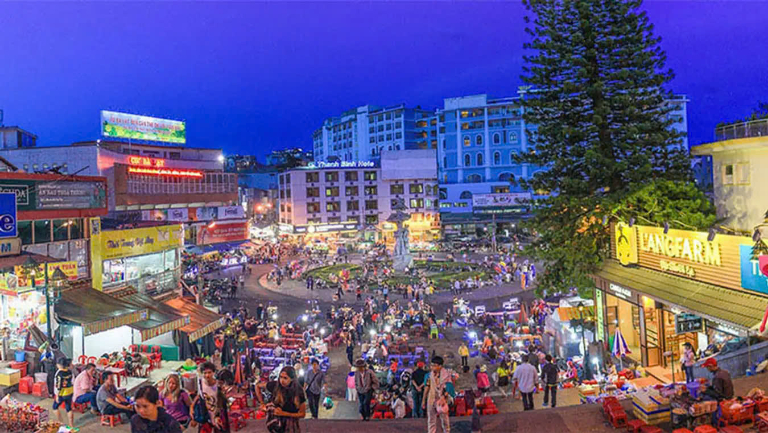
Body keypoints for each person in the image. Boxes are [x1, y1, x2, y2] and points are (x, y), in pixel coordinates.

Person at [257, 366, 306, 433]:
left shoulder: (298, 391)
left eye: (285, 378)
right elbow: (257, 386)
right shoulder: (276, 386)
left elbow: (302, 414)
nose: (282, 380)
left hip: (291, 425)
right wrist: (262, 403)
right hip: (276, 424)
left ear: (292, 379)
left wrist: (283, 413)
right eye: (280, 377)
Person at [190, 362, 229, 433]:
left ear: (213, 373)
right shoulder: (200, 383)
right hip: (205, 413)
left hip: (217, 413)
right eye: (205, 373)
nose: (207, 375)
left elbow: (221, 401)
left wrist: (218, 415)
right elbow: (199, 395)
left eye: (209, 372)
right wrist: (192, 407)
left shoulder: (218, 384)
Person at [422, 355, 454, 433]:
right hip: (431, 398)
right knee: (431, 420)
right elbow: (426, 388)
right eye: (431, 365)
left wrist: (443, 397)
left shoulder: (446, 375)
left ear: (440, 366)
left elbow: (449, 387)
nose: (432, 367)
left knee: (445, 420)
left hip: (442, 399)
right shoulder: (429, 376)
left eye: (434, 365)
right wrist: (423, 401)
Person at [53, 357, 75, 426]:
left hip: (62, 393)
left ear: (59, 365)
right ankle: (71, 425)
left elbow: (58, 386)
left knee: (55, 407)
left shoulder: (59, 373)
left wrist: (57, 395)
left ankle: (61, 423)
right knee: (68, 408)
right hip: (70, 392)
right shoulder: (70, 371)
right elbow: (73, 381)